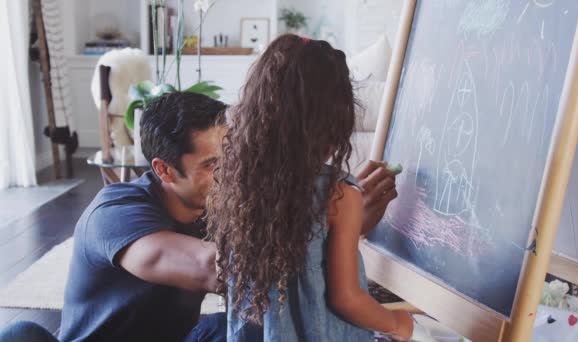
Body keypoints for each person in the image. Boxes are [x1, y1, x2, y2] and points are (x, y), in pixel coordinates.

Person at [0, 90, 400, 341]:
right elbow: (212, 266)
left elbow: (286, 266)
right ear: (164, 170)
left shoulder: (224, 203)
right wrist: (332, 225)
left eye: (233, 158)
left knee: (247, 328)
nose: (231, 174)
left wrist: (347, 223)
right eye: (212, 165)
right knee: (21, 335)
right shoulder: (115, 212)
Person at [207, 35, 414, 342]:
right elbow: (346, 299)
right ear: (336, 119)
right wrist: (397, 323)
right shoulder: (339, 194)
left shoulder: (243, 184)